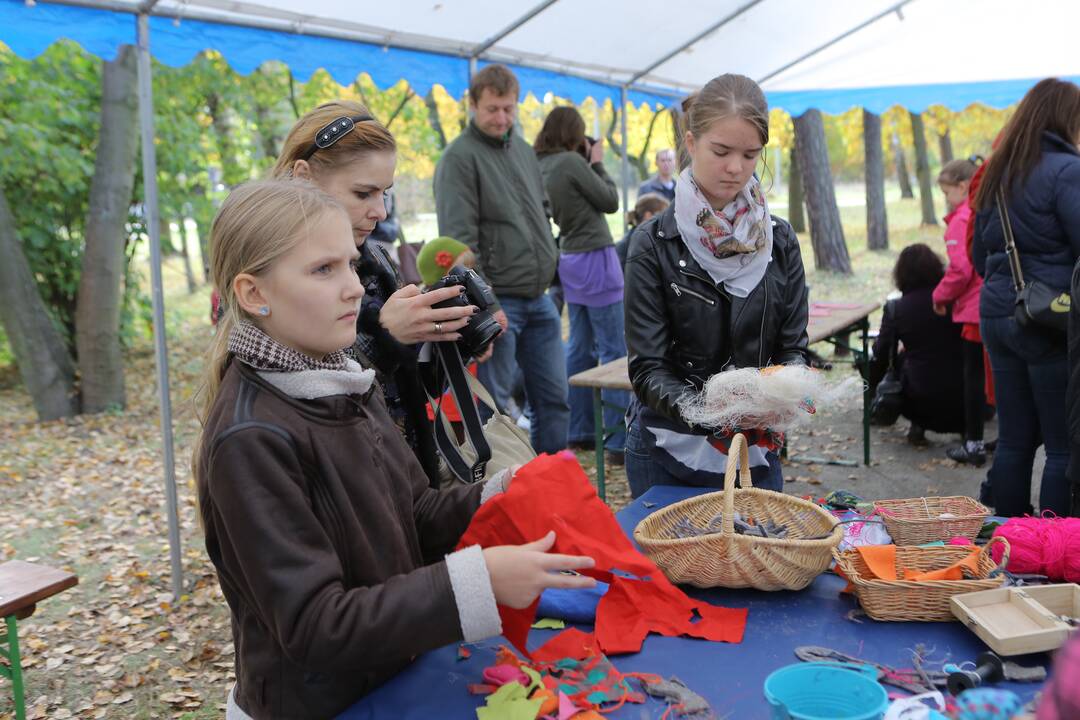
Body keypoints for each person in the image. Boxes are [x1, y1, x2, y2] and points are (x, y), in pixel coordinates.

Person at [193, 180, 596, 720]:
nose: (355, 289)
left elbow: (416, 513)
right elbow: (316, 625)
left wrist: (503, 493)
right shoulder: (250, 440)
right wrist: (479, 581)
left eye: (351, 265)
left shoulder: (344, 379)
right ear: (254, 293)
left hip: (393, 679)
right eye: (323, 270)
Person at [272, 100, 476, 486]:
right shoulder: (274, 278)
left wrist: (448, 339)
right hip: (338, 488)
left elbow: (409, 391)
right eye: (363, 193)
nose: (380, 211)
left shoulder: (378, 261)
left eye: (385, 193)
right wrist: (388, 336)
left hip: (401, 476)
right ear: (304, 178)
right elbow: (316, 405)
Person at [623, 73, 808, 498]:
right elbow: (648, 368)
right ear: (690, 143)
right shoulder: (653, 244)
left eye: (750, 154)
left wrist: (787, 388)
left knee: (759, 564)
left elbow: (792, 346)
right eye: (721, 151)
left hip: (754, 452)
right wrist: (709, 411)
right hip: (668, 450)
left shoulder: (779, 241)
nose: (735, 167)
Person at [434, 64, 570, 454]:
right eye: (493, 109)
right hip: (499, 301)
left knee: (555, 398)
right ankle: (497, 488)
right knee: (494, 408)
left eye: (509, 109)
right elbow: (456, 244)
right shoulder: (458, 159)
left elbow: (541, 211)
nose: (502, 118)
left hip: (539, 297)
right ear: (473, 105)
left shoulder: (523, 151)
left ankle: (552, 479)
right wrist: (486, 305)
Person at [972, 77, 1080, 517]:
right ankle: (1053, 547)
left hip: (997, 313)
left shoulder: (999, 172)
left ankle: (1010, 541)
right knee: (1060, 447)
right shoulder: (1068, 170)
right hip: (1048, 317)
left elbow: (980, 255)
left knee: (1014, 440)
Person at [534, 106, 629, 461]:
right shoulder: (572, 162)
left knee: (579, 345)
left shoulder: (539, 163)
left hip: (570, 257)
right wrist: (597, 163)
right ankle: (619, 442)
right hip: (595, 257)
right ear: (574, 133)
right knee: (613, 349)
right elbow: (610, 201)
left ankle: (581, 430)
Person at [870, 244, 966, 444]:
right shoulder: (957, 301)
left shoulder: (897, 309)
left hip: (920, 400)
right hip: (965, 398)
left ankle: (911, 424)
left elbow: (881, 351)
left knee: (904, 360)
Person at [932, 158, 988, 465]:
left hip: (973, 310)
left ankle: (973, 441)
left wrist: (939, 296)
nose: (946, 199)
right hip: (987, 305)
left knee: (973, 378)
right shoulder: (979, 213)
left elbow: (960, 269)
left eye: (946, 192)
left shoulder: (960, 220)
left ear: (963, 186)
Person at [616, 193, 670, 269]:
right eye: (664, 215)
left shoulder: (639, 238)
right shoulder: (635, 244)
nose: (667, 220)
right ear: (648, 216)